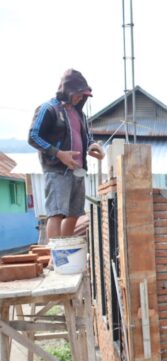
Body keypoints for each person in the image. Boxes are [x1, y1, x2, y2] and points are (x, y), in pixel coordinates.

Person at [28, 69, 105, 240]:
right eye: (79, 94)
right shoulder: (49, 109)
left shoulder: (79, 114)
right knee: (56, 213)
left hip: (77, 170)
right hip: (57, 170)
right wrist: (59, 153)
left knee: (74, 214)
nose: (80, 97)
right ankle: (56, 254)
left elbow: (86, 136)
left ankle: (66, 250)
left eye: (83, 95)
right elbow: (33, 136)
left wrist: (92, 146)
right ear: (68, 91)